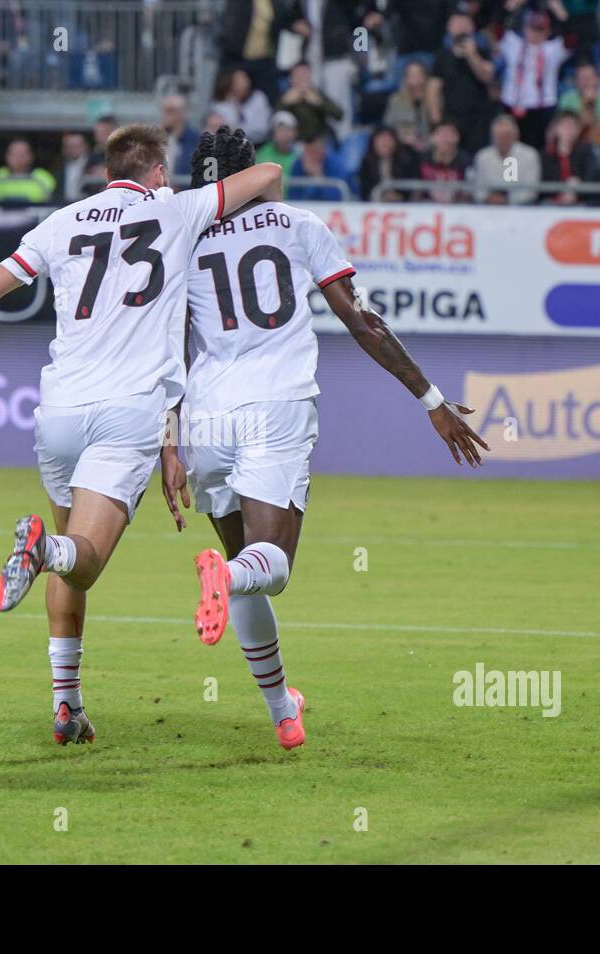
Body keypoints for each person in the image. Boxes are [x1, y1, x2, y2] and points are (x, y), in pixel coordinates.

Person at [0, 124, 284, 746]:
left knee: (71, 551)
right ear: (158, 173)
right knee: (79, 563)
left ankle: (67, 707)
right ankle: (40, 551)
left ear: (106, 170)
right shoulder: (176, 209)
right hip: (126, 416)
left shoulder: (63, 222)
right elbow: (270, 175)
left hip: (58, 412)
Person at [169, 126, 488, 749]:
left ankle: (282, 711)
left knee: (243, 565)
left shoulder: (179, 240)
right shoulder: (295, 224)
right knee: (269, 569)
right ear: (250, 171)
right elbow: (361, 321)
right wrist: (431, 399)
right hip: (275, 406)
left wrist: (169, 439)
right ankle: (227, 581)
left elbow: (170, 347)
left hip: (205, 417)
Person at [498, 9, 571, 150]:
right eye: (532, 29)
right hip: (512, 104)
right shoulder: (513, 44)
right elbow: (497, 29)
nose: (536, 34)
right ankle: (509, 173)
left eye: (540, 30)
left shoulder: (553, 49)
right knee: (510, 149)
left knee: (539, 150)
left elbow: (571, 39)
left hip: (542, 107)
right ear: (525, 28)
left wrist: (561, 13)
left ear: (548, 31)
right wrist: (511, 7)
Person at [429, 10, 496, 154]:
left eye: (465, 24)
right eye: (457, 24)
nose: (461, 28)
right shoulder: (442, 56)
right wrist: (437, 121)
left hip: (478, 119)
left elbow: (487, 76)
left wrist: (472, 55)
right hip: (451, 119)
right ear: (449, 28)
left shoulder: (483, 52)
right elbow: (433, 89)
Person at [472, 112, 541, 204]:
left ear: (515, 135)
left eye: (506, 135)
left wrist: (508, 200)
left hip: (522, 209)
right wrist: (487, 198)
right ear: (492, 136)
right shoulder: (482, 157)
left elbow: (531, 190)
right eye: (499, 135)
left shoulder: (529, 155)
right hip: (487, 207)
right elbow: (478, 188)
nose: (503, 139)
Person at [0, 138, 55, 202]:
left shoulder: (44, 177)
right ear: (7, 156)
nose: (18, 158)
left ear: (31, 156)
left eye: (22, 154)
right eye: (14, 154)